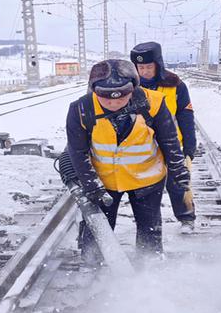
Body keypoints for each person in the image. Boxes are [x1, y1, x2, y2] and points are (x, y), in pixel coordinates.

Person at [66, 59, 190, 263]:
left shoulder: (154, 102)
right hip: (104, 183)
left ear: (133, 88)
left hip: (147, 179)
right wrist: (92, 186)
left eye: (121, 97)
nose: (114, 103)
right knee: (97, 230)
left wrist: (178, 170)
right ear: (94, 90)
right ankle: (91, 267)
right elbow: (77, 152)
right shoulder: (80, 109)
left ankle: (150, 265)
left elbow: (169, 140)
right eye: (106, 98)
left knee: (149, 228)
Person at [131, 41, 197, 232]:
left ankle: (186, 217)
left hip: (172, 144)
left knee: (179, 183)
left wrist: (190, 146)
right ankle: (147, 224)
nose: (144, 71)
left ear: (158, 65)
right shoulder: (131, 87)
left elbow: (186, 116)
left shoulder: (175, 85)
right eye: (140, 67)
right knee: (145, 187)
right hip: (142, 146)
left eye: (148, 67)